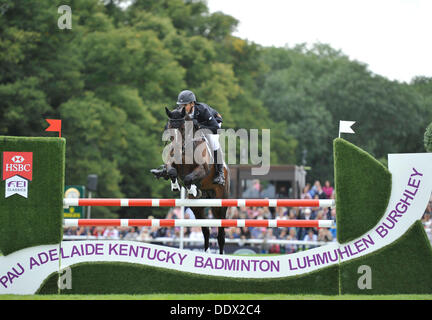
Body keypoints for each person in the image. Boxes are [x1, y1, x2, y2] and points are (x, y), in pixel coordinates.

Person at [151, 89, 225, 185]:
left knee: (214, 142)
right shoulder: (178, 112)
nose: (182, 107)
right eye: (181, 105)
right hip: (195, 127)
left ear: (192, 104)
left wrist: (199, 126)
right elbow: (169, 126)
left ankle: (220, 173)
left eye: (185, 105)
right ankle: (166, 168)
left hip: (212, 123)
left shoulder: (202, 109)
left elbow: (215, 128)